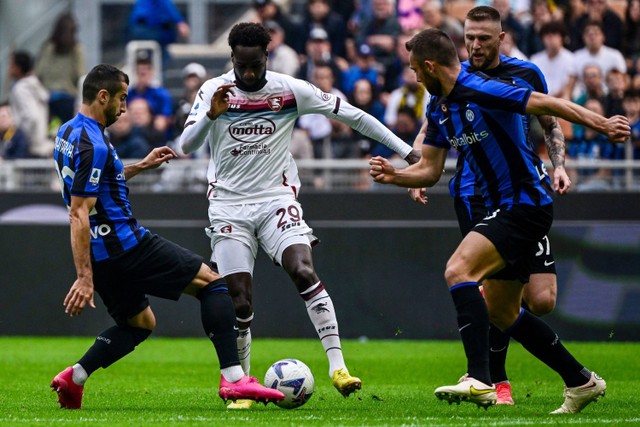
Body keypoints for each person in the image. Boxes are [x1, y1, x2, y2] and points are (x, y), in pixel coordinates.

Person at [369, 28, 629, 413]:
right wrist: (394, 177)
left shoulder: (483, 89)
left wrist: (604, 126)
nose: (414, 78)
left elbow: (549, 104)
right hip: (497, 207)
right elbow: (429, 171)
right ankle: (581, 381)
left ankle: (479, 378)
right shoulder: (439, 107)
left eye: (415, 70)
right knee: (503, 312)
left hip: (525, 202)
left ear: (428, 65)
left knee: (458, 270)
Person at [179, 22, 419, 409]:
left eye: (255, 66)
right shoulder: (214, 91)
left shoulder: (290, 90)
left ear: (266, 58)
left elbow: (355, 116)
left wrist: (409, 153)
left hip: (276, 198)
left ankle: (338, 367)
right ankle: (242, 386)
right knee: (239, 301)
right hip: (228, 205)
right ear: (233, 60)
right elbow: (186, 144)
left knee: (303, 269)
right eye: (242, 67)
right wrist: (210, 114)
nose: (249, 74)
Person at [50, 64, 284, 410]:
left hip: (103, 257)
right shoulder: (95, 144)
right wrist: (83, 278)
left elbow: (94, 184)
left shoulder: (69, 133)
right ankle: (234, 379)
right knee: (214, 284)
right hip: (126, 244)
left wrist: (140, 167)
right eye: (121, 99)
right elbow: (78, 212)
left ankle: (75, 377)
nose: (124, 107)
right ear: (103, 96)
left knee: (139, 323)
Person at [410, 5, 570, 405]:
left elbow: (550, 123)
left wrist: (559, 165)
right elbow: (431, 128)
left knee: (541, 300)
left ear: (502, 38)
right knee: (484, 285)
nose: (475, 45)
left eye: (483, 38)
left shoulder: (525, 74)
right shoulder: (455, 78)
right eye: (468, 38)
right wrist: (415, 168)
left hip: (523, 192)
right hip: (474, 195)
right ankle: (494, 381)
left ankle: (571, 377)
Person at [35, 12, 85, 125]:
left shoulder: (48, 47)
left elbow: (39, 72)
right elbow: (80, 75)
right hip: (68, 99)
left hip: (47, 99)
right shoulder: (77, 49)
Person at [8, 50, 51, 158]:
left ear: (18, 68)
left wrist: (21, 139)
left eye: (11, 65)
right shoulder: (36, 84)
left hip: (29, 148)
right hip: (42, 145)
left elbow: (32, 117)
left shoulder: (20, 89)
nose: (9, 69)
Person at [127, 0, 191, 69]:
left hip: (140, 29)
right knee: (162, 56)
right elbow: (167, 6)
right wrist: (179, 21)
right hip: (145, 28)